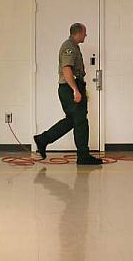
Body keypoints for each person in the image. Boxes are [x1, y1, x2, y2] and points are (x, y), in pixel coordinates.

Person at [33, 23, 103, 165]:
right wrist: (75, 90)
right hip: (70, 88)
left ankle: (43, 139)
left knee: (72, 120)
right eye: (85, 32)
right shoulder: (69, 47)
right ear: (78, 33)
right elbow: (66, 70)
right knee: (81, 122)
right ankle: (83, 156)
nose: (86, 35)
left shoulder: (74, 46)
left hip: (72, 87)